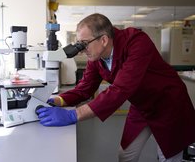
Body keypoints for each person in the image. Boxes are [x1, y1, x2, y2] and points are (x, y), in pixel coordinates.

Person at [36, 13, 195, 161]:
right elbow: (85, 88)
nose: (82, 51)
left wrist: (74, 115)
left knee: (167, 156)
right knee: (125, 155)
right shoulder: (96, 57)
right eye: (79, 45)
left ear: (103, 40)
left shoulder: (137, 42)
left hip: (168, 104)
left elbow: (121, 89)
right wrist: (57, 100)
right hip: (142, 106)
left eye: (84, 44)